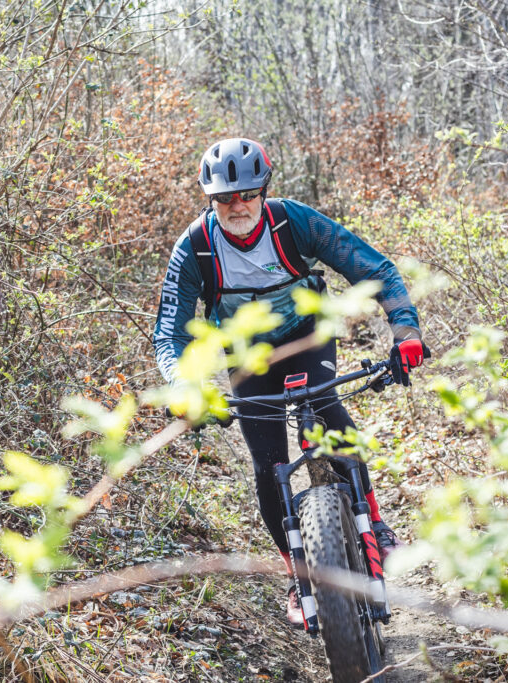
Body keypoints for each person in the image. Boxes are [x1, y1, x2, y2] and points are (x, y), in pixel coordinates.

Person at [153, 137, 429, 627]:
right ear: (210, 199)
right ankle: (297, 575)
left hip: (308, 336)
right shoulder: (195, 247)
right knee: (268, 465)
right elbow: (169, 334)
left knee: (326, 409)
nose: (237, 205)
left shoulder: (293, 221)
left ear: (264, 190)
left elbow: (374, 268)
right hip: (247, 355)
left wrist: (405, 332)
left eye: (247, 194)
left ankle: (375, 522)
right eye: (224, 198)